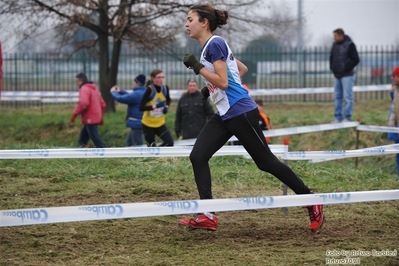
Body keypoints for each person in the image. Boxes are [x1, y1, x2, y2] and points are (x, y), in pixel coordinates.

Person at [179, 3, 324, 232]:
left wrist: (199, 69)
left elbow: (225, 81)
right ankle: (207, 213)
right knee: (198, 156)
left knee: (266, 162)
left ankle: (311, 200)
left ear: (204, 22)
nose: (186, 24)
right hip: (226, 113)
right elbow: (241, 70)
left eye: (190, 19)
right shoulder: (210, 47)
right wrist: (211, 88)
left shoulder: (214, 44)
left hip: (241, 111)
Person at [329, 28, 360, 123]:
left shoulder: (350, 45)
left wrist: (346, 67)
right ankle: (338, 117)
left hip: (347, 75)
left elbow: (356, 59)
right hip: (337, 75)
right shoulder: (334, 45)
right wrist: (333, 68)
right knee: (337, 96)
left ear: (341, 36)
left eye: (336, 36)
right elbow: (331, 58)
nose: (334, 38)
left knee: (347, 97)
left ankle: (347, 117)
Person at [139, 69, 174, 147]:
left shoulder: (165, 88)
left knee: (170, 143)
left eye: (162, 77)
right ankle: (155, 157)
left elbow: (168, 99)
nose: (161, 79)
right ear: (153, 78)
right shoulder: (149, 90)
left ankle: (161, 155)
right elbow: (141, 107)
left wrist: (167, 106)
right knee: (151, 147)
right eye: (158, 77)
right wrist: (153, 107)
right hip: (148, 124)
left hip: (160, 123)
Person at [70, 73, 106, 148]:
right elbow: (103, 104)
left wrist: (75, 114)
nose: (76, 83)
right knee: (83, 137)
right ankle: (81, 149)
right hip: (94, 116)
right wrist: (100, 116)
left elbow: (83, 103)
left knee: (95, 137)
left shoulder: (84, 89)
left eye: (77, 81)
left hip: (90, 117)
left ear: (80, 80)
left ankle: (105, 151)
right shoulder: (94, 89)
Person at [110, 74, 146, 146]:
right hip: (138, 123)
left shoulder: (137, 94)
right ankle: (128, 156)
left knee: (138, 146)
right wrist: (120, 91)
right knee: (129, 144)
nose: (133, 83)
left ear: (137, 83)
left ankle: (140, 157)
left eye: (134, 82)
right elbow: (130, 96)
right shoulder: (142, 92)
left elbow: (121, 99)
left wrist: (113, 92)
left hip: (136, 123)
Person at [387, 66, 399, 176]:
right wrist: (392, 120)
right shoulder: (395, 91)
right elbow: (395, 108)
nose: (392, 78)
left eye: (394, 76)